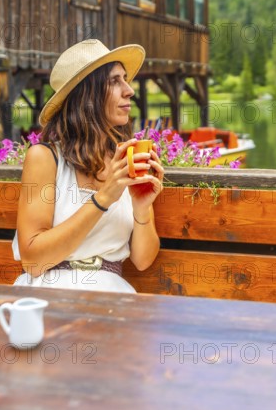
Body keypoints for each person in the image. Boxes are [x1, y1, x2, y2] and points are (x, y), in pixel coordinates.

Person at [12, 39, 164, 293]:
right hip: (49, 292)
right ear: (87, 95)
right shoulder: (45, 158)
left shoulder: (124, 159)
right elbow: (33, 261)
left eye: (125, 79)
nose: (129, 90)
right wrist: (104, 198)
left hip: (111, 296)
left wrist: (142, 208)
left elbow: (142, 260)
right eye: (114, 81)